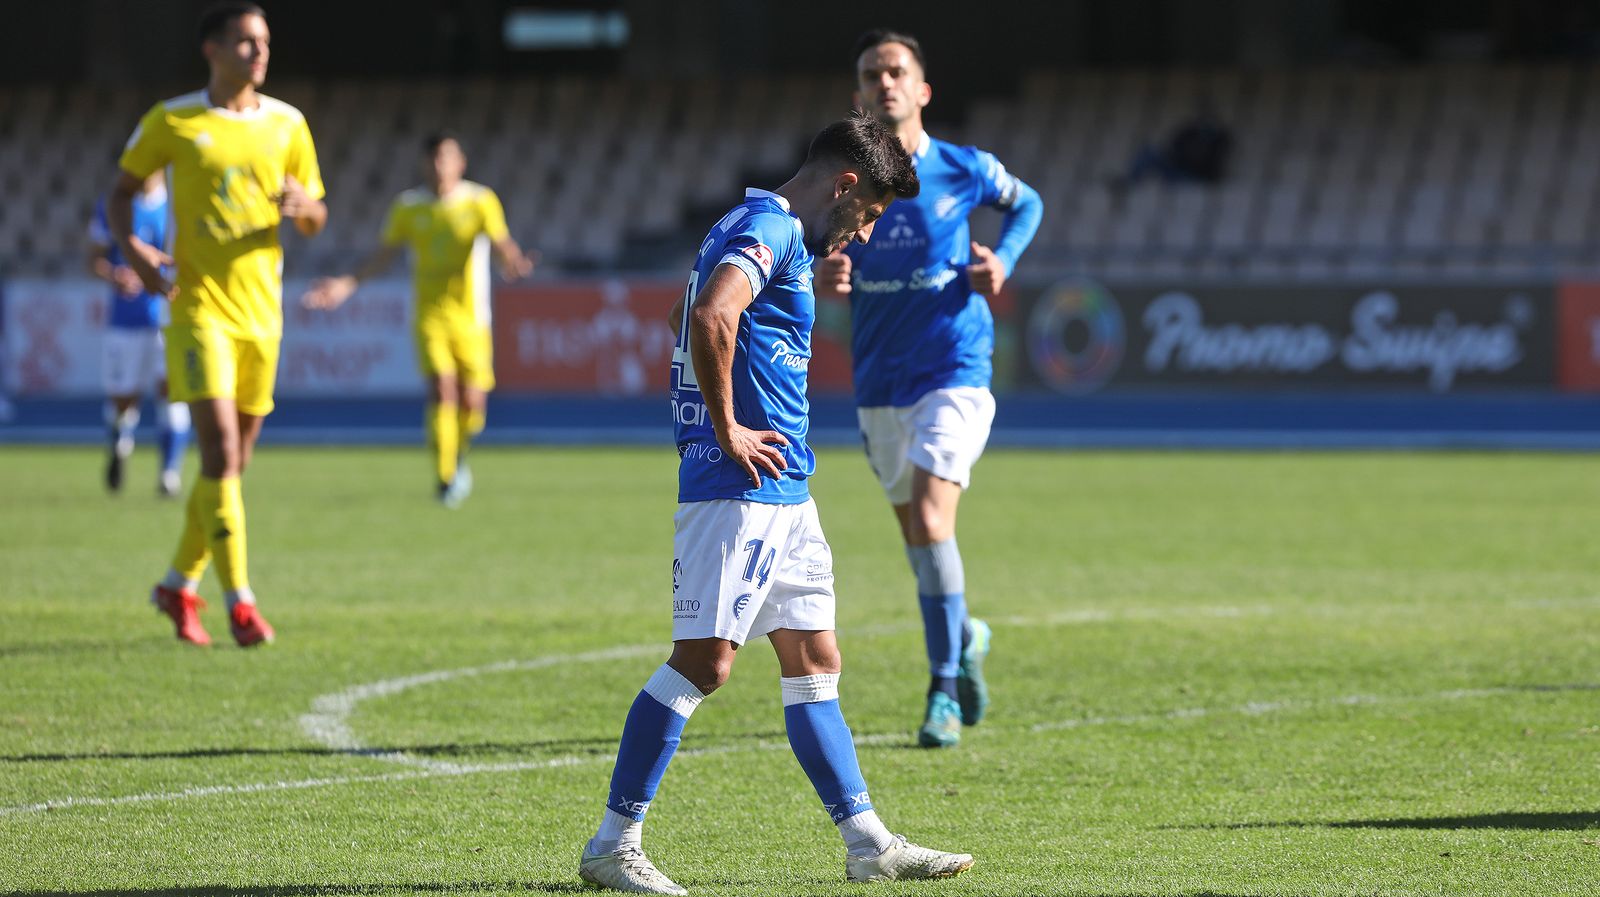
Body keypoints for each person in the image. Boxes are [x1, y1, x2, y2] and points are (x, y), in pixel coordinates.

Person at [577, 111, 970, 896]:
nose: (861, 235)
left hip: (784, 490)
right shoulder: (772, 226)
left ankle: (869, 844)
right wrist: (725, 428)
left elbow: (685, 313)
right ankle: (612, 844)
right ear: (845, 184)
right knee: (704, 662)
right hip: (738, 489)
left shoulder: (761, 229)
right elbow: (709, 314)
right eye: (866, 215)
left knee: (815, 659)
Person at [815, 30, 1044, 748]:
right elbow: (816, 254)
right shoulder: (842, 183)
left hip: (955, 369)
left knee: (930, 516)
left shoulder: (963, 167)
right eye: (871, 74)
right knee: (917, 534)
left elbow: (1029, 204)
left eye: (895, 71)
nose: (884, 82)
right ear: (859, 95)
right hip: (880, 379)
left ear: (922, 90)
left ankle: (942, 688)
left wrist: (1003, 260)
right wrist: (825, 276)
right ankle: (965, 634)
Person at [110, 1, 326, 647]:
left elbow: (316, 216)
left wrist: (304, 207)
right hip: (197, 308)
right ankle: (241, 603)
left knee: (229, 466)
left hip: (263, 315)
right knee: (221, 455)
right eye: (245, 41)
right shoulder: (174, 119)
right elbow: (120, 194)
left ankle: (177, 583)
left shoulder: (288, 123)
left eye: (264, 42)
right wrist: (137, 253)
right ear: (211, 48)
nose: (259, 52)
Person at [301, 133, 534, 507]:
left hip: (472, 318)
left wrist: (514, 262)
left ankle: (457, 455)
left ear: (461, 163)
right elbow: (384, 255)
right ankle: (445, 476)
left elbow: (501, 243)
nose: (441, 166)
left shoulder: (480, 201)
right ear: (426, 164)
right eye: (435, 159)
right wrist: (346, 284)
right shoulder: (408, 207)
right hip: (430, 315)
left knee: (473, 407)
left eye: (448, 158)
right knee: (442, 388)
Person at [87, 169, 191, 497]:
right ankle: (120, 442)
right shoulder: (115, 205)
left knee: (171, 392)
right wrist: (113, 274)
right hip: (126, 320)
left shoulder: (178, 205)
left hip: (168, 318)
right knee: (124, 401)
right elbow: (93, 258)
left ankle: (169, 474)